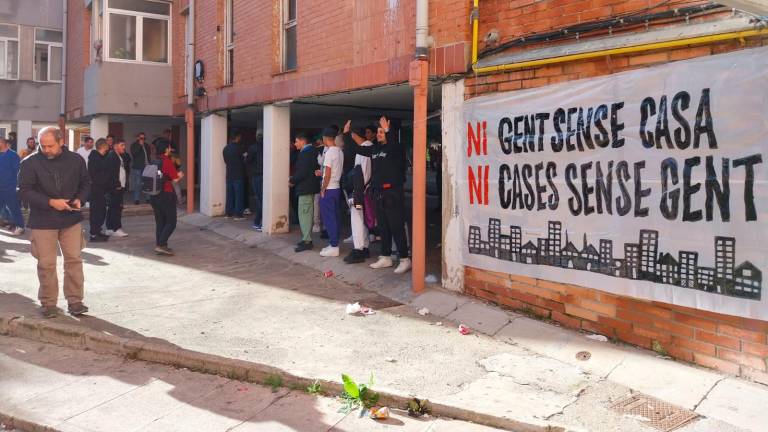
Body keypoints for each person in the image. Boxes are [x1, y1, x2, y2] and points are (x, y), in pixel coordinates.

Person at [18, 126, 91, 318]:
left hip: (71, 219)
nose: (46, 149)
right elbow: (23, 191)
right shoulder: (30, 163)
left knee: (74, 261)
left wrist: (79, 200)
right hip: (42, 221)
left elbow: (86, 183)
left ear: (61, 142)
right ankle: (49, 303)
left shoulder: (76, 160)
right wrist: (50, 202)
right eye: (43, 146)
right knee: (46, 264)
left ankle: (75, 301)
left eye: (51, 145)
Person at [353, 116, 411, 274]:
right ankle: (385, 256)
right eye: (378, 131)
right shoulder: (375, 149)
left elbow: (392, 145)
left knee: (396, 227)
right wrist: (348, 134)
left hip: (393, 192)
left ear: (389, 132)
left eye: (381, 132)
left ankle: (405, 259)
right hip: (379, 193)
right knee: (383, 227)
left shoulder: (397, 148)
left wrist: (388, 130)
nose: (378, 134)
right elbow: (359, 149)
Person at [341, 121, 373, 264]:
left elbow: (361, 174)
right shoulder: (368, 147)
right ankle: (364, 247)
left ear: (354, 135)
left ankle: (359, 250)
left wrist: (356, 194)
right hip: (365, 189)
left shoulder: (364, 149)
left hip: (361, 190)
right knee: (363, 221)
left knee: (357, 220)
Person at [150, 141, 183, 255]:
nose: (170, 149)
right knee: (171, 222)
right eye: (169, 148)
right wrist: (180, 175)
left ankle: (161, 245)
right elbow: (174, 179)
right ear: (166, 149)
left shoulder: (153, 161)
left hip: (154, 195)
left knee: (160, 222)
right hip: (166, 194)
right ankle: (161, 244)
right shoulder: (167, 162)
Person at [290, 133, 320, 252]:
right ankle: (306, 239)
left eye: (296, 141)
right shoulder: (313, 151)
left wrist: (292, 180)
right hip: (310, 187)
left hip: (305, 188)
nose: (295, 144)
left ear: (303, 141)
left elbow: (302, 172)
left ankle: (307, 240)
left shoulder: (305, 153)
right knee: (306, 213)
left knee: (304, 214)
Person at [318, 127, 344, 257]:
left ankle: (334, 246)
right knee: (335, 217)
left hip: (329, 189)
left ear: (325, 138)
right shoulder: (339, 151)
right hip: (336, 187)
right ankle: (334, 244)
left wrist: (323, 188)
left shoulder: (329, 153)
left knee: (329, 218)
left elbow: (327, 173)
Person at [87, 139, 111, 243]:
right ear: (103, 146)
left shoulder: (100, 157)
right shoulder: (95, 158)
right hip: (96, 189)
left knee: (101, 211)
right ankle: (93, 234)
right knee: (96, 212)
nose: (109, 146)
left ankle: (98, 231)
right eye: (107, 145)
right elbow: (96, 174)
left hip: (101, 189)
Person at [0, 137, 24, 235]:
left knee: (14, 208)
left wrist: (16, 186)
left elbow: (18, 172)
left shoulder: (13, 156)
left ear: (3, 143)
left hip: (10, 187)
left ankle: (20, 226)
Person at [104, 139, 129, 237]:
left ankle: (110, 228)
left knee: (113, 208)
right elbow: (112, 174)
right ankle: (116, 228)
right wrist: (117, 186)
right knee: (116, 208)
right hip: (115, 188)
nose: (124, 147)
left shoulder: (118, 156)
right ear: (115, 146)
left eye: (124, 145)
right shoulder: (112, 157)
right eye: (122, 145)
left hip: (118, 187)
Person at [223, 131, 246, 220]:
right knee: (238, 195)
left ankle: (228, 213)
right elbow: (245, 160)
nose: (240, 138)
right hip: (238, 175)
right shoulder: (240, 148)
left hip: (229, 174)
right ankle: (238, 215)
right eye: (239, 137)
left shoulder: (225, 148)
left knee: (229, 195)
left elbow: (225, 161)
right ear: (237, 137)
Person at [246, 136, 264, 230]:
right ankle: (262, 222)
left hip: (257, 176)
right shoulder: (269, 146)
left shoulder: (253, 148)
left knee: (260, 200)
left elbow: (247, 160)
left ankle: (258, 222)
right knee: (264, 199)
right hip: (267, 176)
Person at [129, 132, 150, 205]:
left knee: (147, 183)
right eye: (141, 138)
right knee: (138, 183)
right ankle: (136, 199)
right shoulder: (134, 145)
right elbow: (135, 154)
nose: (143, 139)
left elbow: (148, 155)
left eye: (144, 138)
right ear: (138, 138)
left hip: (147, 167)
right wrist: (140, 145)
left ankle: (148, 198)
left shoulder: (147, 145)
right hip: (138, 168)